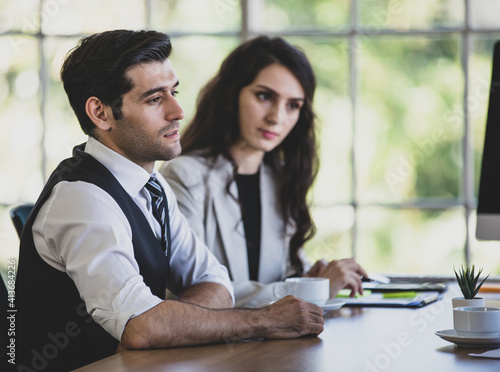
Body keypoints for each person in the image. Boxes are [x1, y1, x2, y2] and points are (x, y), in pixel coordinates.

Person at [13, 30, 324, 372]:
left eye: (174, 92)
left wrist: (166, 324)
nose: (178, 111)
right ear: (100, 114)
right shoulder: (82, 198)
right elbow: (143, 326)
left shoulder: (152, 184)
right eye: (154, 99)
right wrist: (264, 321)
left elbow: (215, 282)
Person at [161, 36, 368, 308]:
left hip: (277, 344)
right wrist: (312, 291)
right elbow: (192, 294)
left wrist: (311, 278)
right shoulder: (183, 176)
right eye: (264, 96)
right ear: (231, 94)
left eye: (292, 105)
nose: (277, 117)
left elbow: (278, 279)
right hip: (212, 348)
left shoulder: (281, 178)